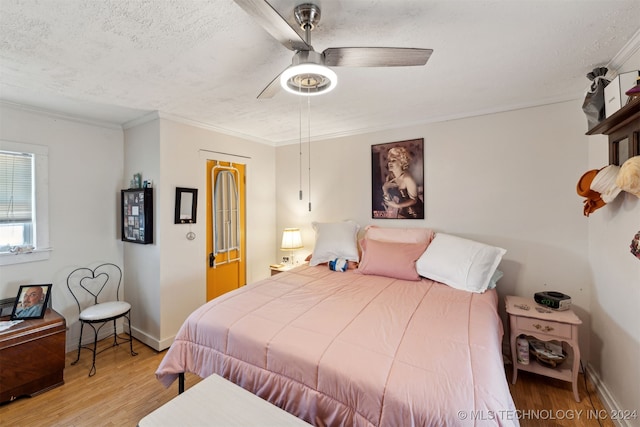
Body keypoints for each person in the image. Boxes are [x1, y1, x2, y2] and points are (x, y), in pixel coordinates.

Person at [382, 147, 424, 219]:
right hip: (399, 213)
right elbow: (388, 200)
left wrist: (397, 206)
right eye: (389, 160)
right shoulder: (389, 177)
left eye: (393, 160)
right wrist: (384, 189)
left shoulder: (407, 178)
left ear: (401, 162)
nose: (390, 163)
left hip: (414, 214)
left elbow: (414, 200)